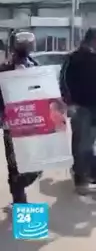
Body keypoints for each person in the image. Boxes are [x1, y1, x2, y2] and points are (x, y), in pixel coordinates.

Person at [0, 31, 42, 206]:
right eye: (25, 45)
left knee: (36, 163)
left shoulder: (36, 67)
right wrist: (0, 112)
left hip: (32, 121)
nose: (28, 48)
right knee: (14, 164)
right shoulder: (0, 70)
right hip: (11, 124)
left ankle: (17, 184)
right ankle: (19, 199)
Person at [60, 28, 96, 195]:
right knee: (82, 144)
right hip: (80, 107)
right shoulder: (74, 57)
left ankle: (89, 174)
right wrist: (70, 103)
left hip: (93, 108)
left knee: (89, 144)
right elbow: (63, 80)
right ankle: (81, 179)